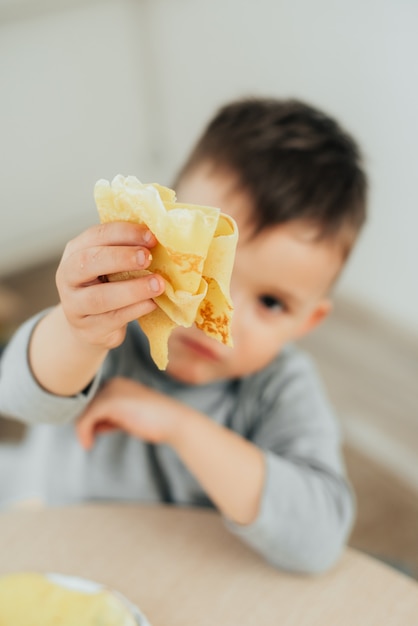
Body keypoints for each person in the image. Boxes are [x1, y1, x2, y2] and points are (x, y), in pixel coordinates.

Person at [0, 97, 367, 574]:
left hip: (186, 580)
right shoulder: (116, 324)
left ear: (307, 322)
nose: (220, 315)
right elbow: (21, 397)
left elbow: (317, 540)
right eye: (201, 270)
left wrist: (178, 424)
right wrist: (78, 329)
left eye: (271, 302)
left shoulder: (279, 388)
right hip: (66, 553)